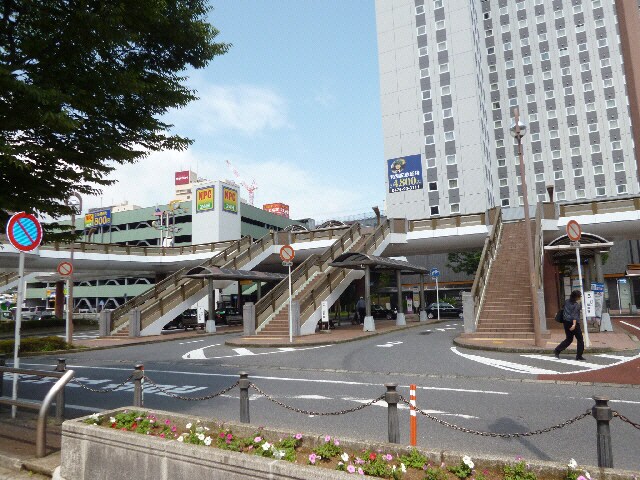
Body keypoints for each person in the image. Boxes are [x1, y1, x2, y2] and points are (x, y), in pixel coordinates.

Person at [554, 290, 586, 360]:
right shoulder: (576, 305)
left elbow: (563, 310)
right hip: (573, 323)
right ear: (576, 297)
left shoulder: (566, 301)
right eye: (579, 296)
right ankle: (579, 355)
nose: (580, 297)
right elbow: (574, 315)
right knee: (580, 339)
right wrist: (574, 325)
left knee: (569, 339)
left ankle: (557, 350)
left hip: (566, 322)